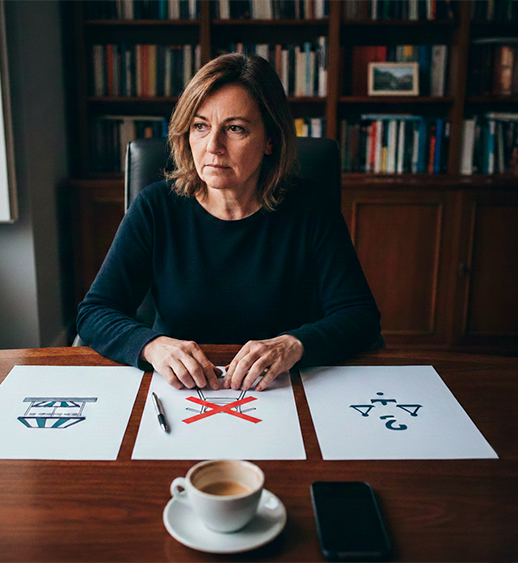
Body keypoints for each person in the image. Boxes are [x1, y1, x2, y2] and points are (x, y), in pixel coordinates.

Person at [77, 52, 380, 392]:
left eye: (235, 129)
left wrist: (295, 344)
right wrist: (152, 345)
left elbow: (359, 316)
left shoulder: (311, 207)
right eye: (200, 126)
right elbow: (95, 312)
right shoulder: (155, 206)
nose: (213, 146)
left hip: (282, 389)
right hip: (181, 392)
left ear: (271, 140)